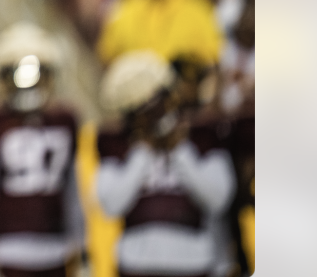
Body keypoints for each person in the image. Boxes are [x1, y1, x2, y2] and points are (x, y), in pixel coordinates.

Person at [96, 51, 236, 277]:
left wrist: (180, 151)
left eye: (155, 102)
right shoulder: (117, 142)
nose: (152, 115)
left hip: (195, 261)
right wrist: (143, 152)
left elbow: (218, 199)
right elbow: (111, 205)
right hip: (137, 263)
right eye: (140, 110)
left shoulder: (202, 134)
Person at [0, 24, 84, 277]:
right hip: (8, 252)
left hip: (56, 249)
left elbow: (74, 189)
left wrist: (83, 246)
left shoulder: (64, 121)